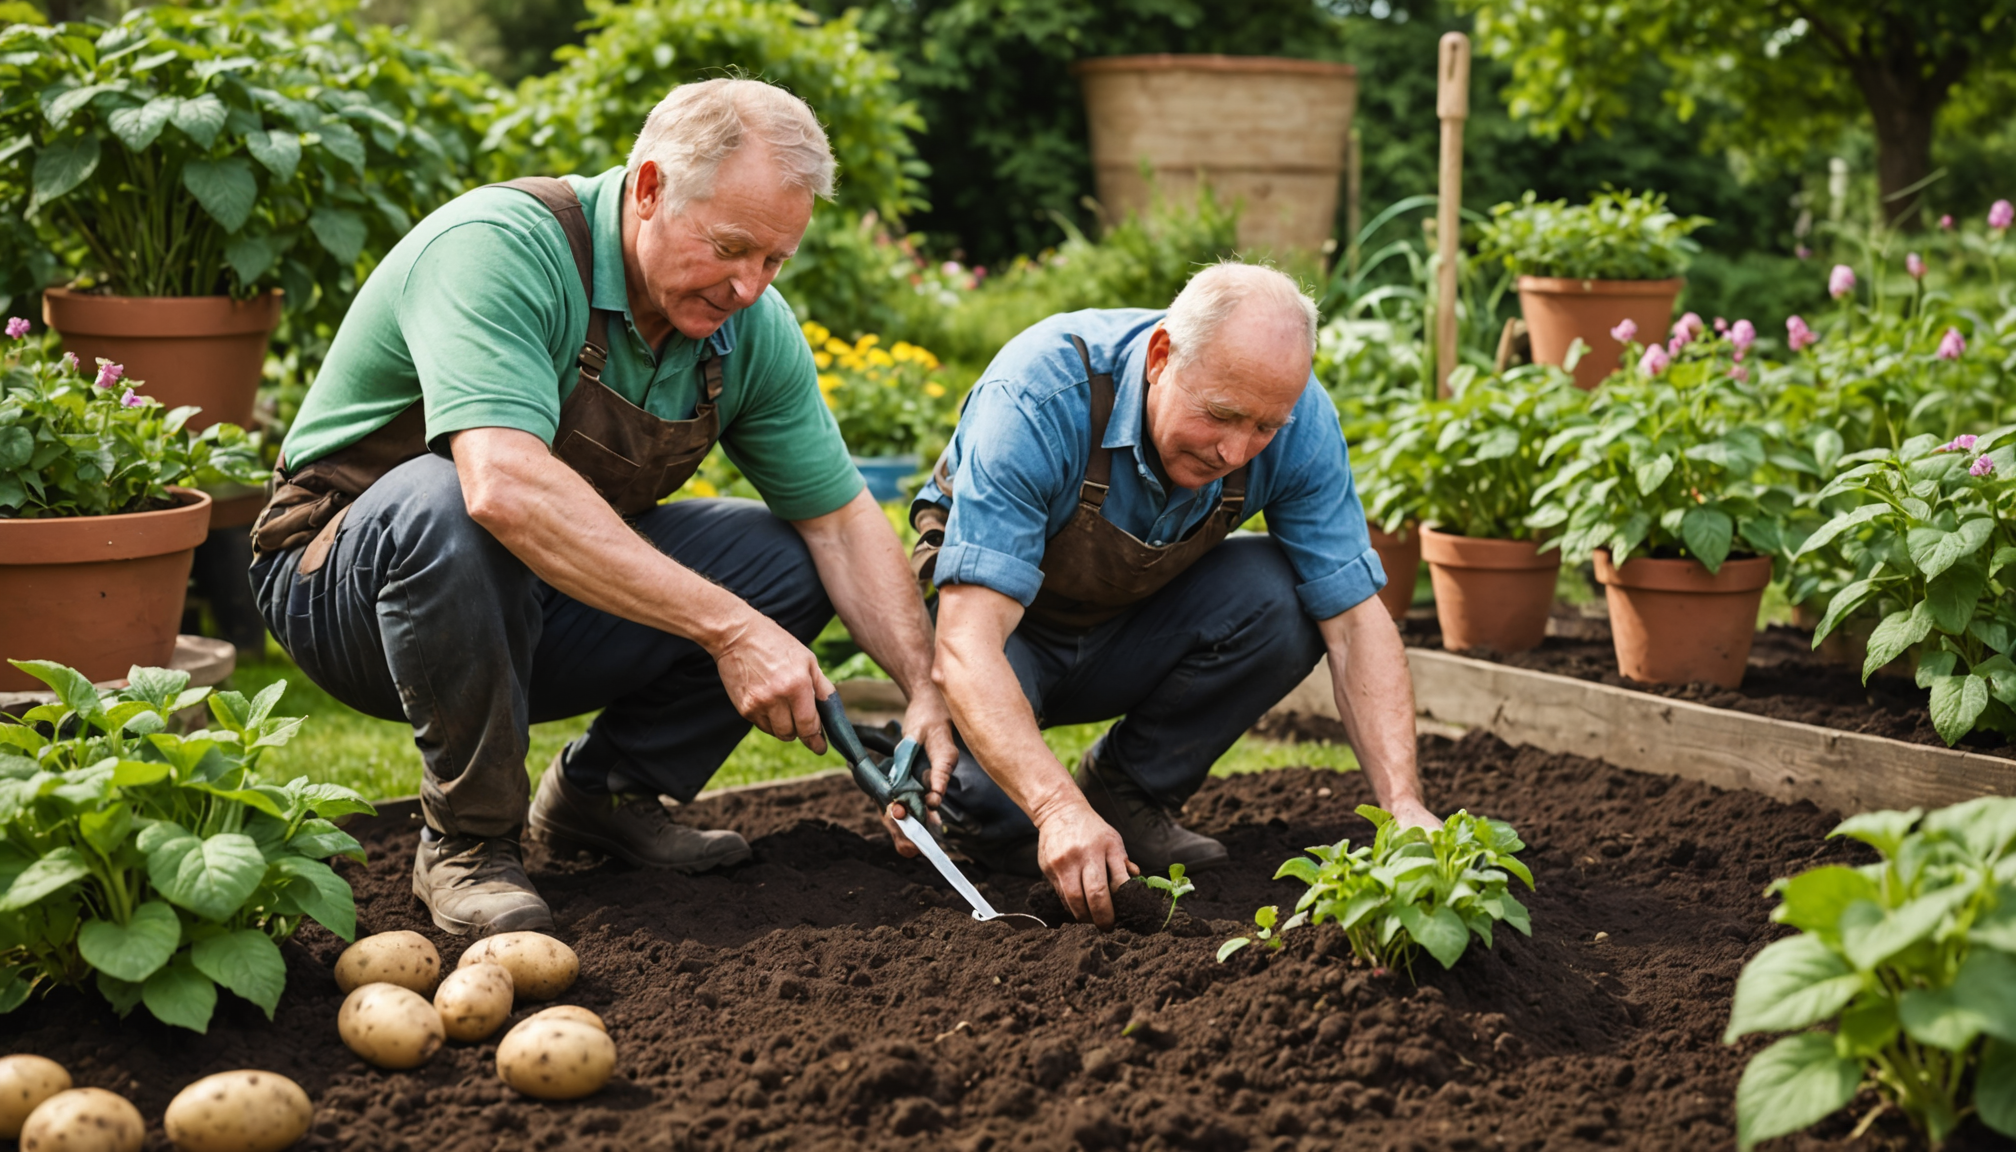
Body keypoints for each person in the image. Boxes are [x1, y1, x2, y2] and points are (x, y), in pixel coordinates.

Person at [248, 79, 955, 937]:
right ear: (650, 188)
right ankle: (467, 843)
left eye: (774, 261)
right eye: (731, 247)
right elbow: (500, 485)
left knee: (786, 560)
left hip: (530, 607)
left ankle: (604, 793)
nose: (747, 287)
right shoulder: (501, 249)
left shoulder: (750, 331)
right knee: (453, 497)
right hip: (343, 583)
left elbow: (842, 522)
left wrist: (924, 691)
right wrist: (732, 631)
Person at [910, 263, 1439, 929]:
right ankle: (939, 771)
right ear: (1161, 356)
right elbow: (967, 642)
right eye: (1219, 415)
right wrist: (1054, 808)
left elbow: (1357, 621)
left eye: (1264, 428)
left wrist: (1403, 806)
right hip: (1001, 632)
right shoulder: (1041, 396)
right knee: (994, 811)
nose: (1235, 450)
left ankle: (1128, 793)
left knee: (1289, 596)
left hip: (1130, 623)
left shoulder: (1297, 422)